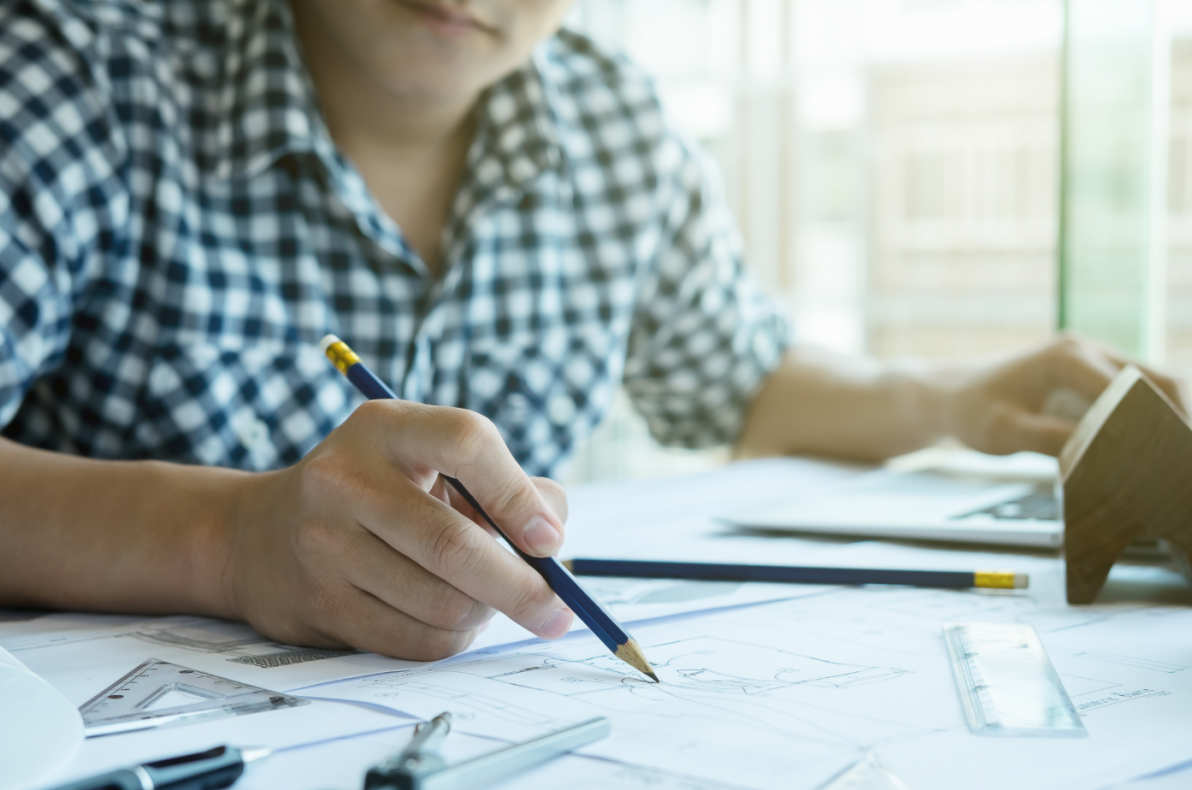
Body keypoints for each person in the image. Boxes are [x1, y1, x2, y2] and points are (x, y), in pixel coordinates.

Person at [0, 0, 1181, 661]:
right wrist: (226, 539)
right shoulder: (73, 76)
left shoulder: (611, 119)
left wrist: (942, 400)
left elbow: (740, 376)